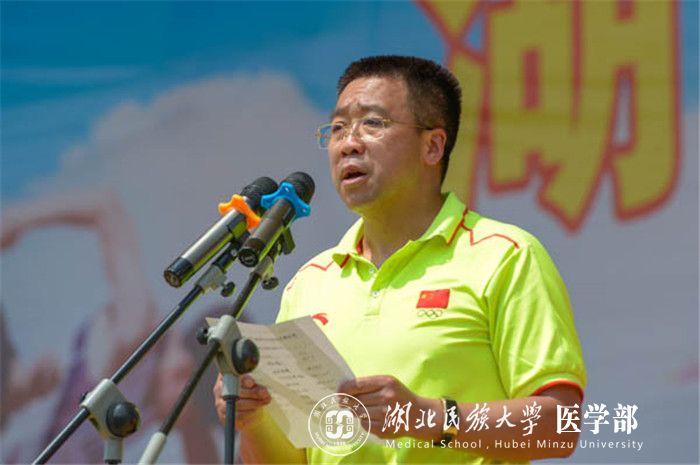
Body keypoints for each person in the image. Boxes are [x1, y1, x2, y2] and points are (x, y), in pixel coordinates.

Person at [214, 55, 587, 463]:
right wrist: (252, 421)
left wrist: (430, 417)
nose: (349, 143)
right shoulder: (310, 282)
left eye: (373, 123)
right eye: (337, 128)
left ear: (433, 146)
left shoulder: (504, 256)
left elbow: (559, 427)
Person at [1, 190, 221, 464]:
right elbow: (106, 208)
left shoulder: (165, 388)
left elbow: (203, 450)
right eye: (191, 423)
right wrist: (18, 219)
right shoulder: (137, 327)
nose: (184, 431)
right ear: (182, 373)